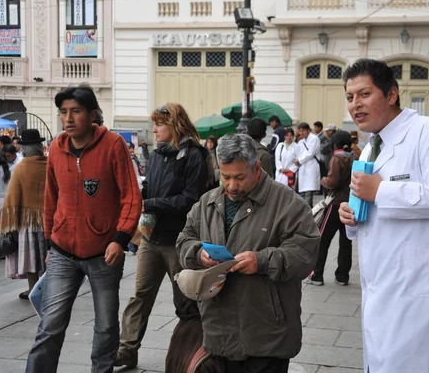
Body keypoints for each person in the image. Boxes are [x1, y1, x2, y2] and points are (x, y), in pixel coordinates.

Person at [337, 59, 429, 372]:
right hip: (383, 285)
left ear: (391, 95)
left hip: (421, 287)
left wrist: (382, 192)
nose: (355, 105)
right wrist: (352, 217)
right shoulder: (373, 145)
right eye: (349, 97)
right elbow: (376, 209)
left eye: (364, 94)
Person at [176, 133, 320, 373]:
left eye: (240, 177)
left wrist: (261, 261)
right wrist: (198, 253)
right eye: (225, 177)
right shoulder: (208, 202)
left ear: (257, 168)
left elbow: (305, 254)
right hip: (218, 330)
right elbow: (183, 241)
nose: (232, 186)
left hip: (266, 332)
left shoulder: (286, 203)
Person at [25, 85, 142, 373]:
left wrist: (120, 238)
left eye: (75, 111)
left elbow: (131, 196)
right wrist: (51, 241)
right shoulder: (56, 147)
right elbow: (51, 198)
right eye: (63, 112)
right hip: (63, 253)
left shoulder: (113, 145)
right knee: (49, 326)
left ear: (91, 114)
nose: (68, 118)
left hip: (104, 253)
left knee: (105, 326)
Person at [115, 103, 209, 368]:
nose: (154, 130)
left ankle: (190, 353)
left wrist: (152, 203)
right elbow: (151, 191)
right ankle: (127, 349)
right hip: (151, 237)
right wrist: (142, 199)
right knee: (140, 295)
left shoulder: (195, 155)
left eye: (159, 124)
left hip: (179, 240)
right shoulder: (157, 155)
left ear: (175, 125)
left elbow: (191, 200)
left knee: (186, 301)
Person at [0, 129, 48, 299]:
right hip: (49, 220)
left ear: (25, 148)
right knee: (49, 257)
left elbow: (12, 195)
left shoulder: (21, 168)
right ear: (39, 146)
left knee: (31, 258)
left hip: (28, 222)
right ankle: (49, 287)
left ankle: (33, 289)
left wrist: (8, 219)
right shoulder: (50, 165)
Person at [305, 130, 355, 286]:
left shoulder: (336, 158)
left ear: (335, 144)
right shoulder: (354, 157)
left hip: (335, 204)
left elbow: (332, 182)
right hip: (350, 203)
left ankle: (316, 274)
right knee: (346, 242)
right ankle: (342, 276)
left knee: (322, 239)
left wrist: (323, 180)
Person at [294, 122, 321, 207]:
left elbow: (311, 153)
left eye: (303, 130)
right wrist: (297, 161)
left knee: (309, 192)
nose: (302, 133)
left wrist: (300, 160)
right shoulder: (300, 142)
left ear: (308, 130)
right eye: (300, 131)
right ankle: (307, 210)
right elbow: (298, 154)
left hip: (311, 166)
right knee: (303, 192)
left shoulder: (314, 139)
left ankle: (309, 211)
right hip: (303, 167)